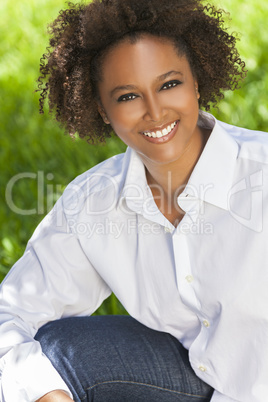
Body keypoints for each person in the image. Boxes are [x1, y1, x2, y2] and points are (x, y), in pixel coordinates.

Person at [0, 0, 267, 401]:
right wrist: (45, 394)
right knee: (56, 349)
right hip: (194, 380)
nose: (155, 112)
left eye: (169, 84)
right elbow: (11, 314)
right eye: (127, 96)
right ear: (101, 110)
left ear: (196, 82)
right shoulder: (93, 202)